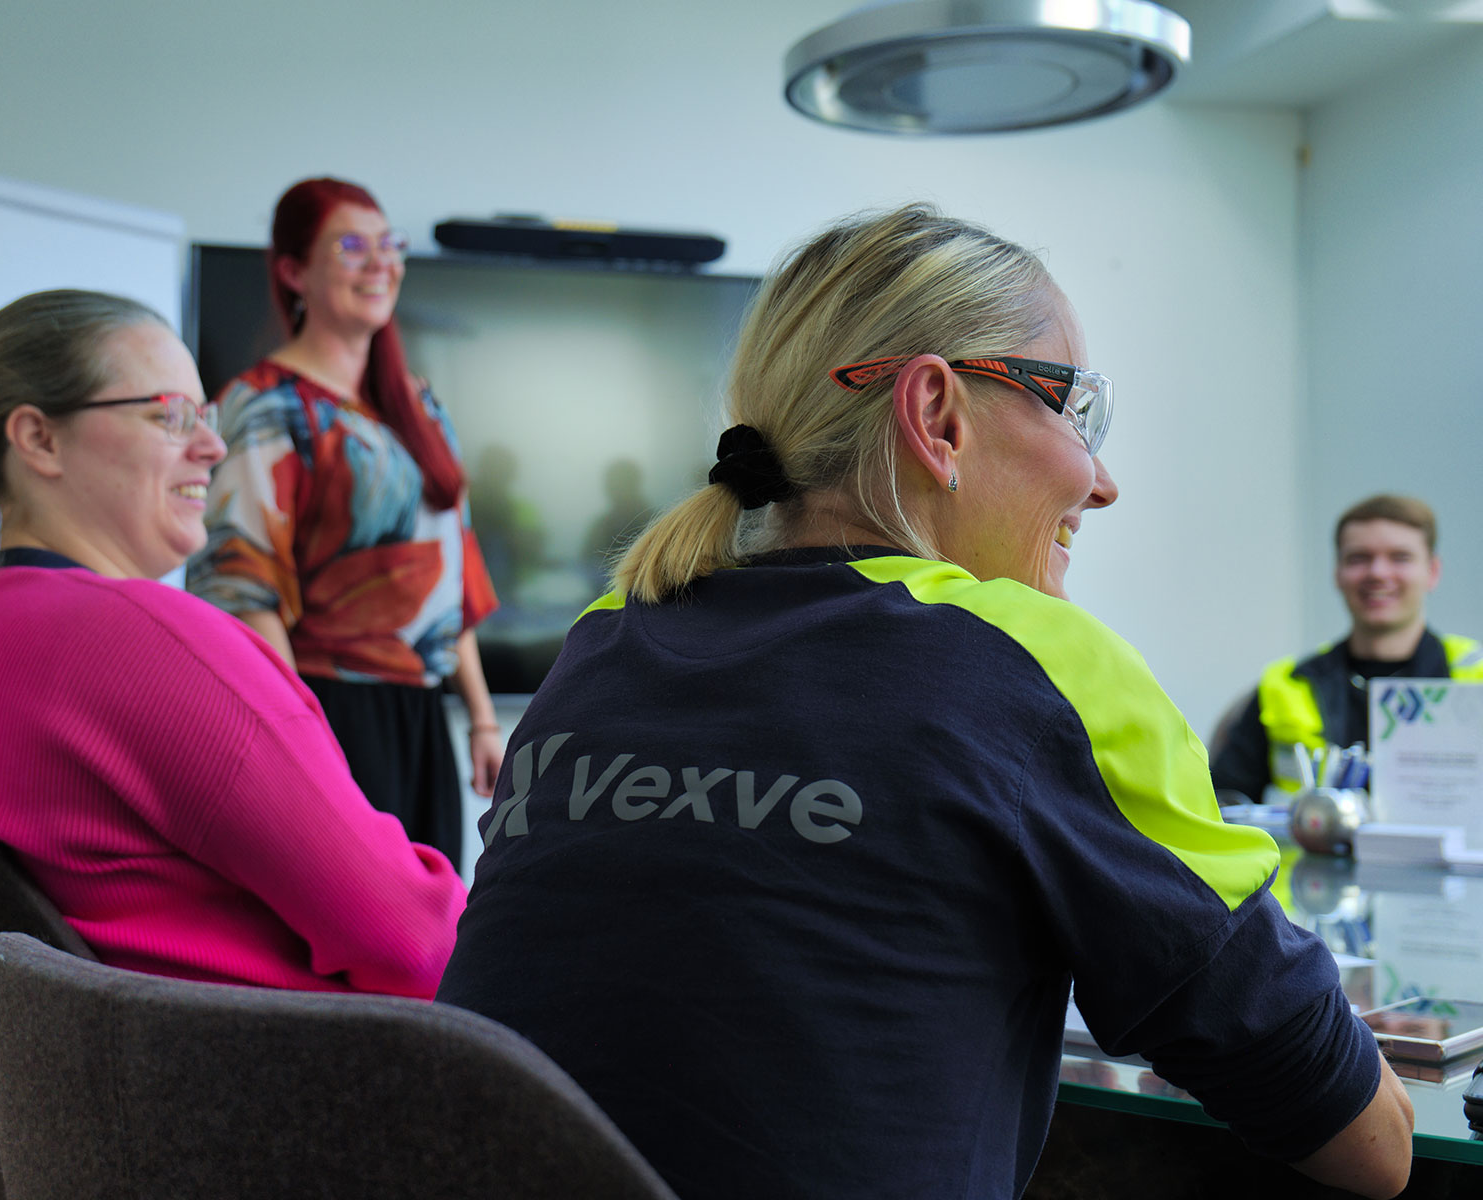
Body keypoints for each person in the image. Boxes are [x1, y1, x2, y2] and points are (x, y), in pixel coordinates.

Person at [435, 206, 1412, 1200]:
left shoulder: (607, 637)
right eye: (1078, 412)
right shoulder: (1033, 661)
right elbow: (1370, 1145)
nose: (1099, 479)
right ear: (938, 416)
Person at [0, 289, 465, 998]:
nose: (213, 446)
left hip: (184, 1084)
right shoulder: (146, 643)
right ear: (39, 439)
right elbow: (412, 939)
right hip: (303, 1084)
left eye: (205, 417)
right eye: (170, 416)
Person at [188, 178, 501, 865]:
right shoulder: (261, 406)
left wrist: (480, 718)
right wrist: (303, 741)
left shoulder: (419, 406)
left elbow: (452, 574)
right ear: (294, 271)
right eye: (353, 247)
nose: (380, 263)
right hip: (327, 714)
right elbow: (243, 590)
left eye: (390, 246)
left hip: (422, 718)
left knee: (425, 947)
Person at [1211, 494, 1483, 803]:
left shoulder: (1477, 675)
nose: (1378, 573)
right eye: (1358, 558)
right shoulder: (1286, 684)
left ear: (1432, 571)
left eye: (1400, 557)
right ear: (1337, 572)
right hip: (1311, 850)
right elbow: (1223, 801)